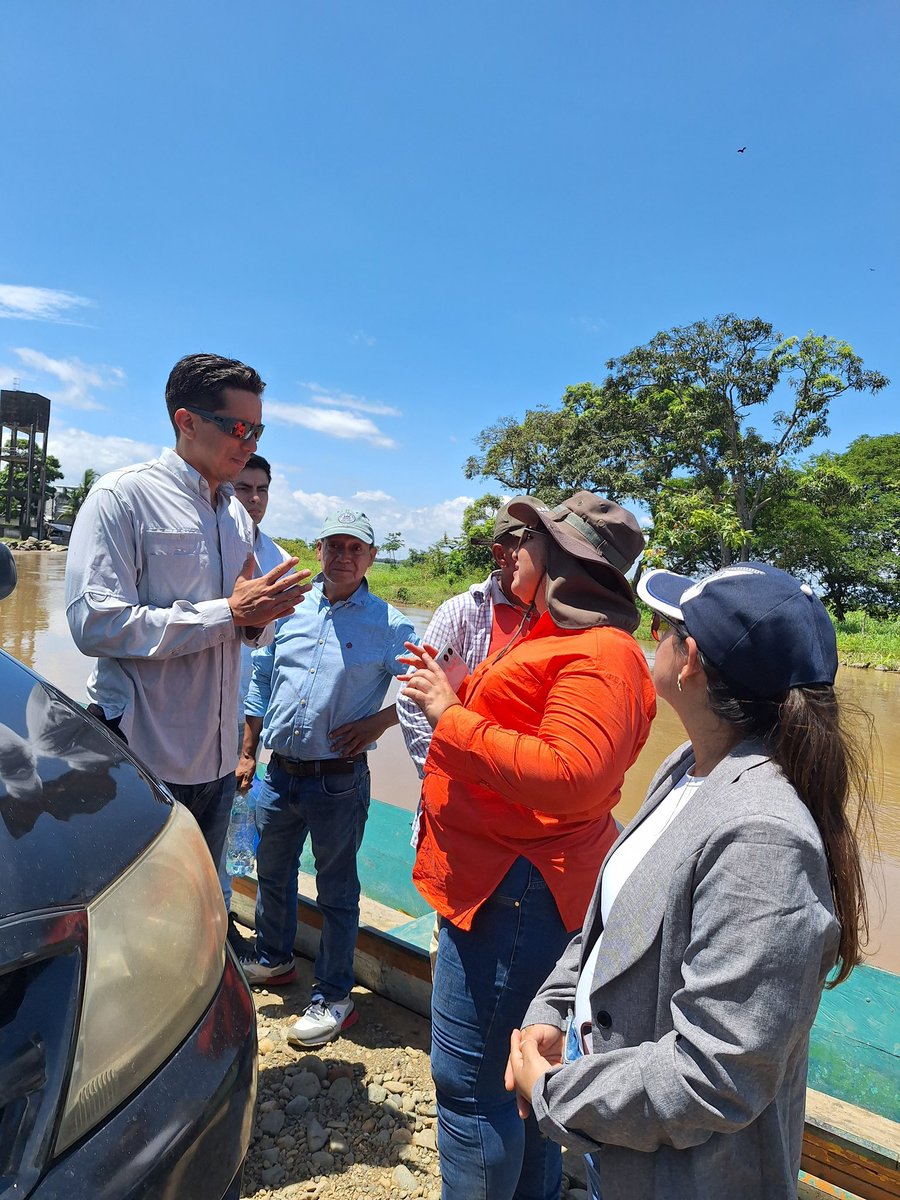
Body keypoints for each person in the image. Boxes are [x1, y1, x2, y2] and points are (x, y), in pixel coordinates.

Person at [507, 562, 873, 1200]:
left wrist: (555, 1092)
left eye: (664, 628)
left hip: (687, 1176)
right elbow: (611, 925)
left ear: (690, 660)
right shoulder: (686, 769)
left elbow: (717, 1072)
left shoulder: (762, 835)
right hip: (625, 1140)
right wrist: (554, 1009)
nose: (654, 637)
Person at [399, 492, 657, 1200]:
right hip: (506, 880)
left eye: (526, 538)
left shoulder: (597, 652)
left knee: (471, 1088)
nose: (507, 549)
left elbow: (571, 774)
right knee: (519, 1084)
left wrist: (449, 714)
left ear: (565, 558)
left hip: (513, 892)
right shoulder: (552, 635)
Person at [65, 353, 308, 870]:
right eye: (240, 427)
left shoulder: (235, 517)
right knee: (135, 916)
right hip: (141, 760)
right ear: (187, 421)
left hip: (217, 766)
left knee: (195, 908)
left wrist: (258, 618)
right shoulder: (124, 498)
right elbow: (94, 624)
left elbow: (245, 631)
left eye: (259, 431)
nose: (251, 444)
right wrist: (228, 613)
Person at [237, 509, 418, 1047]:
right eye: (333, 546)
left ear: (371, 557)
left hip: (338, 782)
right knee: (272, 872)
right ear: (318, 550)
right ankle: (273, 959)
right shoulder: (289, 609)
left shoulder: (388, 622)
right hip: (278, 774)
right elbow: (261, 680)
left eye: (354, 548)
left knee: (338, 891)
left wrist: (376, 723)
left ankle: (335, 995)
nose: (342, 557)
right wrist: (248, 752)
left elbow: (420, 686)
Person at [220, 452, 293, 954]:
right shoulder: (208, 545)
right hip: (189, 710)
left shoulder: (279, 561)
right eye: (244, 487)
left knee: (227, 828)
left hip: (241, 721)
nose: (253, 497)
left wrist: (253, 743)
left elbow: (278, 662)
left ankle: (220, 918)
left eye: (261, 489)